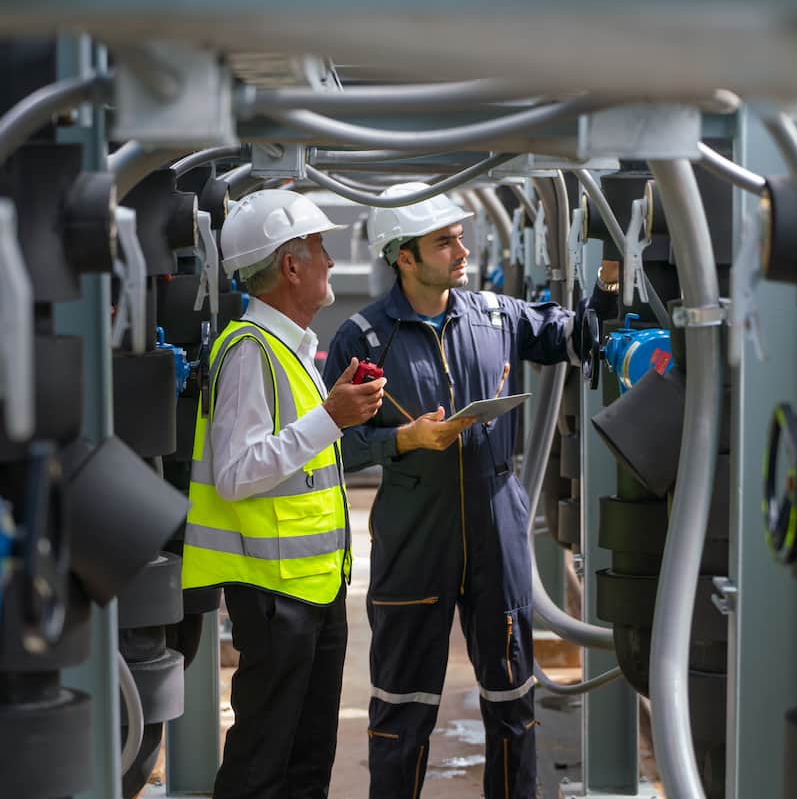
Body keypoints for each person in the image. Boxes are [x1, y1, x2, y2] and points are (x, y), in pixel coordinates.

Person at [324, 183, 619, 798]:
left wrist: (613, 276)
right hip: (414, 535)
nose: (463, 248)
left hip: (496, 528)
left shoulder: (496, 315)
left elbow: (581, 334)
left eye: (460, 235)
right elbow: (331, 449)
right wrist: (404, 440)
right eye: (444, 241)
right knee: (401, 711)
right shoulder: (363, 339)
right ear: (404, 257)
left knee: (513, 703)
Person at [181, 189, 386, 799]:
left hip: (311, 587)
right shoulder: (249, 351)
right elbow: (238, 472)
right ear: (290, 265)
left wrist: (332, 409)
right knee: (262, 761)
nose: (329, 261)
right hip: (275, 594)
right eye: (318, 248)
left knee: (307, 758)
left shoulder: (290, 350)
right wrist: (330, 417)